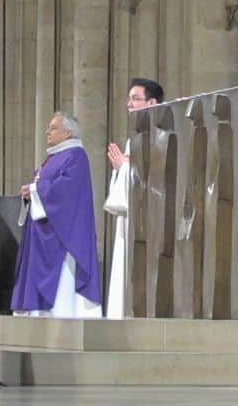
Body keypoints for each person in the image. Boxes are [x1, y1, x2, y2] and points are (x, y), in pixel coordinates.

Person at [12, 111, 102, 318]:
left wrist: (35, 190)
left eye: (53, 128)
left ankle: (61, 316)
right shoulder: (55, 157)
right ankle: (38, 313)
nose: (47, 132)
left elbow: (66, 191)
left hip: (63, 235)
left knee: (62, 281)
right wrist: (30, 193)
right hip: (44, 230)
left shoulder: (75, 156)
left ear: (69, 133)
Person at [104, 77, 163, 319]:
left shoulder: (161, 136)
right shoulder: (135, 139)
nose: (129, 104)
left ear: (152, 102)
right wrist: (122, 168)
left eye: (135, 99)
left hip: (150, 218)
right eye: (128, 99)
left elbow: (157, 178)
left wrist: (125, 167)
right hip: (131, 218)